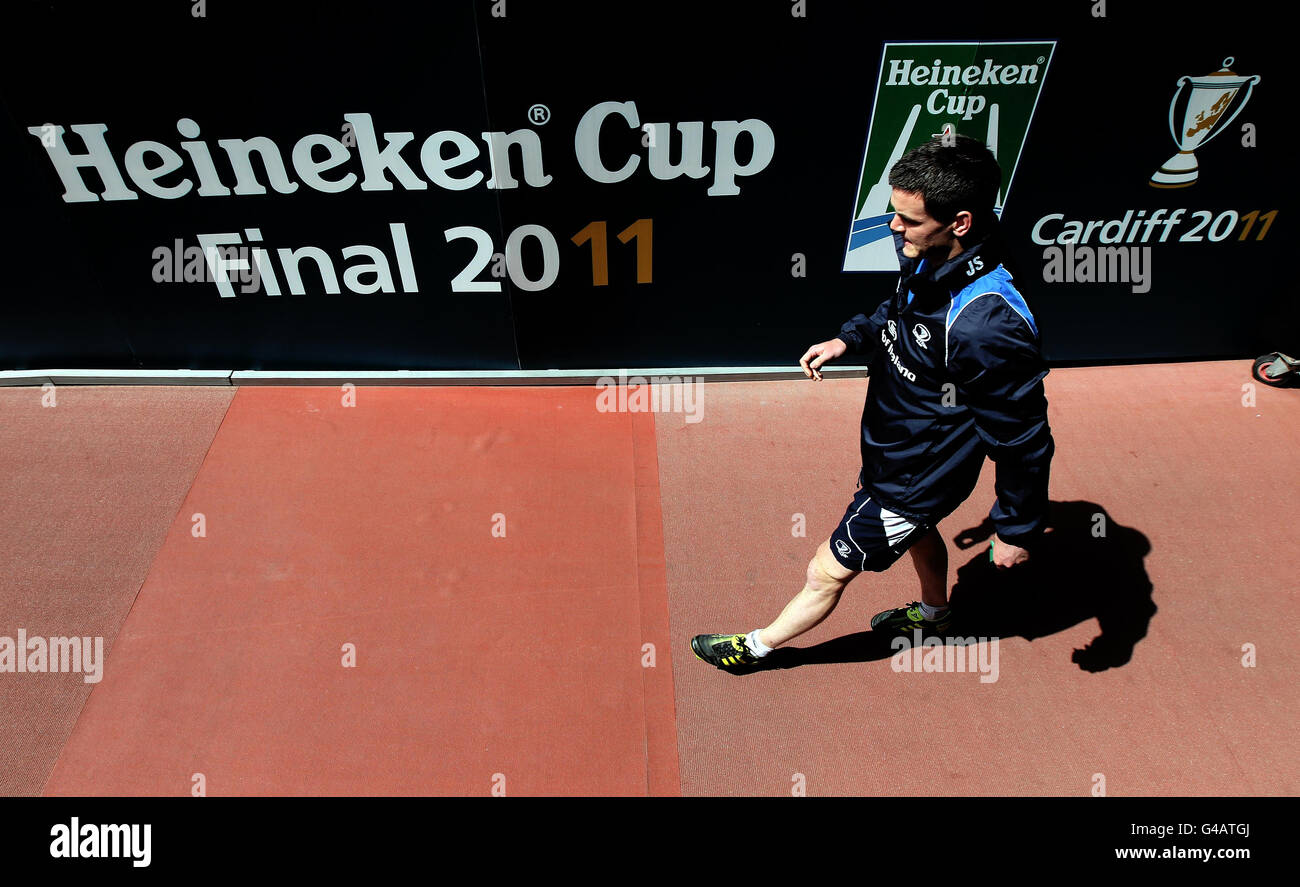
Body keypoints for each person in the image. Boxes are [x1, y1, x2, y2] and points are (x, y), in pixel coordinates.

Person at [692, 134, 1054, 670]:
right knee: (920, 530)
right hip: (895, 447)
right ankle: (936, 615)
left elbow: (1023, 437)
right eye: (895, 213)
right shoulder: (935, 255)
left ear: (960, 222)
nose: (893, 227)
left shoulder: (985, 322)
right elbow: (901, 311)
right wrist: (851, 339)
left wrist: (1015, 528)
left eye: (908, 219)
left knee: (827, 570)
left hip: (914, 476)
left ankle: (758, 648)